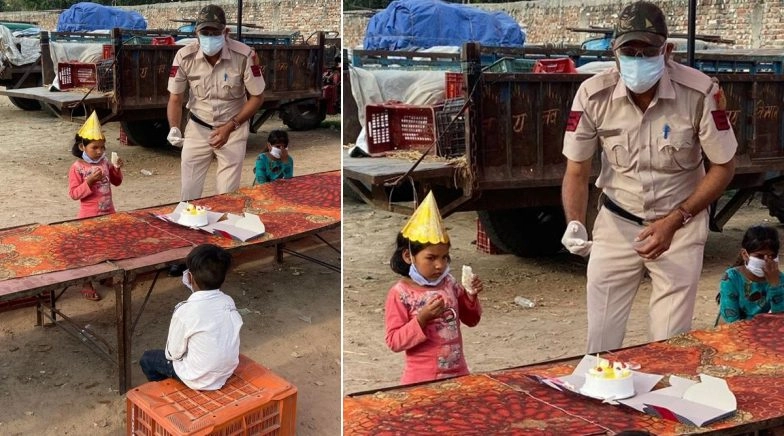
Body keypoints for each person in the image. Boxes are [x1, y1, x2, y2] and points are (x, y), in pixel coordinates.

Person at [560, 1, 738, 353]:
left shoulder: (700, 93)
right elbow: (576, 170)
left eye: (648, 50)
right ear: (614, 51)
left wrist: (676, 219)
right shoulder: (593, 95)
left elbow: (724, 167)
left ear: (667, 50)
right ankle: (603, 403)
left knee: (670, 344)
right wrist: (576, 223)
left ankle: (663, 405)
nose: (638, 58)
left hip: (680, 225)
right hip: (617, 222)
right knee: (601, 343)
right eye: (629, 50)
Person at [165, 4, 265, 276]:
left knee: (227, 196)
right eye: (204, 32)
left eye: (214, 31)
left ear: (226, 32)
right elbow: (176, 98)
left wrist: (230, 127)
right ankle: (187, 252)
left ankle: (220, 255)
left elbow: (257, 97)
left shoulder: (245, 56)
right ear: (196, 33)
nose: (209, 37)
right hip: (197, 127)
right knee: (189, 194)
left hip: (233, 128)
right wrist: (175, 128)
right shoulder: (184, 56)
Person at [385, 191, 484, 384]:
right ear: (408, 256)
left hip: (459, 373)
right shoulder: (401, 294)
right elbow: (394, 341)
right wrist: (422, 319)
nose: (440, 265)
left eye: (444, 257)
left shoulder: (450, 284)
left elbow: (471, 320)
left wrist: (471, 296)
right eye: (431, 258)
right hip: (422, 379)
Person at [139, 244, 243, 390]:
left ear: (190, 277)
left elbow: (172, 354)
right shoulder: (228, 301)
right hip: (225, 372)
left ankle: (168, 391)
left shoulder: (185, 310)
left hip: (198, 378)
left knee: (148, 359)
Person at [67, 111, 124, 301]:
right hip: (89, 215)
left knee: (108, 245)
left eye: (102, 147)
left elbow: (116, 182)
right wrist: (89, 182)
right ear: (82, 146)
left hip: (109, 212)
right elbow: (74, 194)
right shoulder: (77, 167)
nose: (99, 151)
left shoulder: (105, 162)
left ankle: (105, 277)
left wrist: (116, 169)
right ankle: (87, 282)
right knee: (89, 249)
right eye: (94, 148)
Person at [718, 226, 784, 323]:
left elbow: (780, 319)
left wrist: (775, 286)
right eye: (760, 256)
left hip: (769, 331)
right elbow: (731, 321)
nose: (766, 261)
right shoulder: (732, 278)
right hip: (737, 331)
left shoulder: (779, 278)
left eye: (772, 256)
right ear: (745, 254)